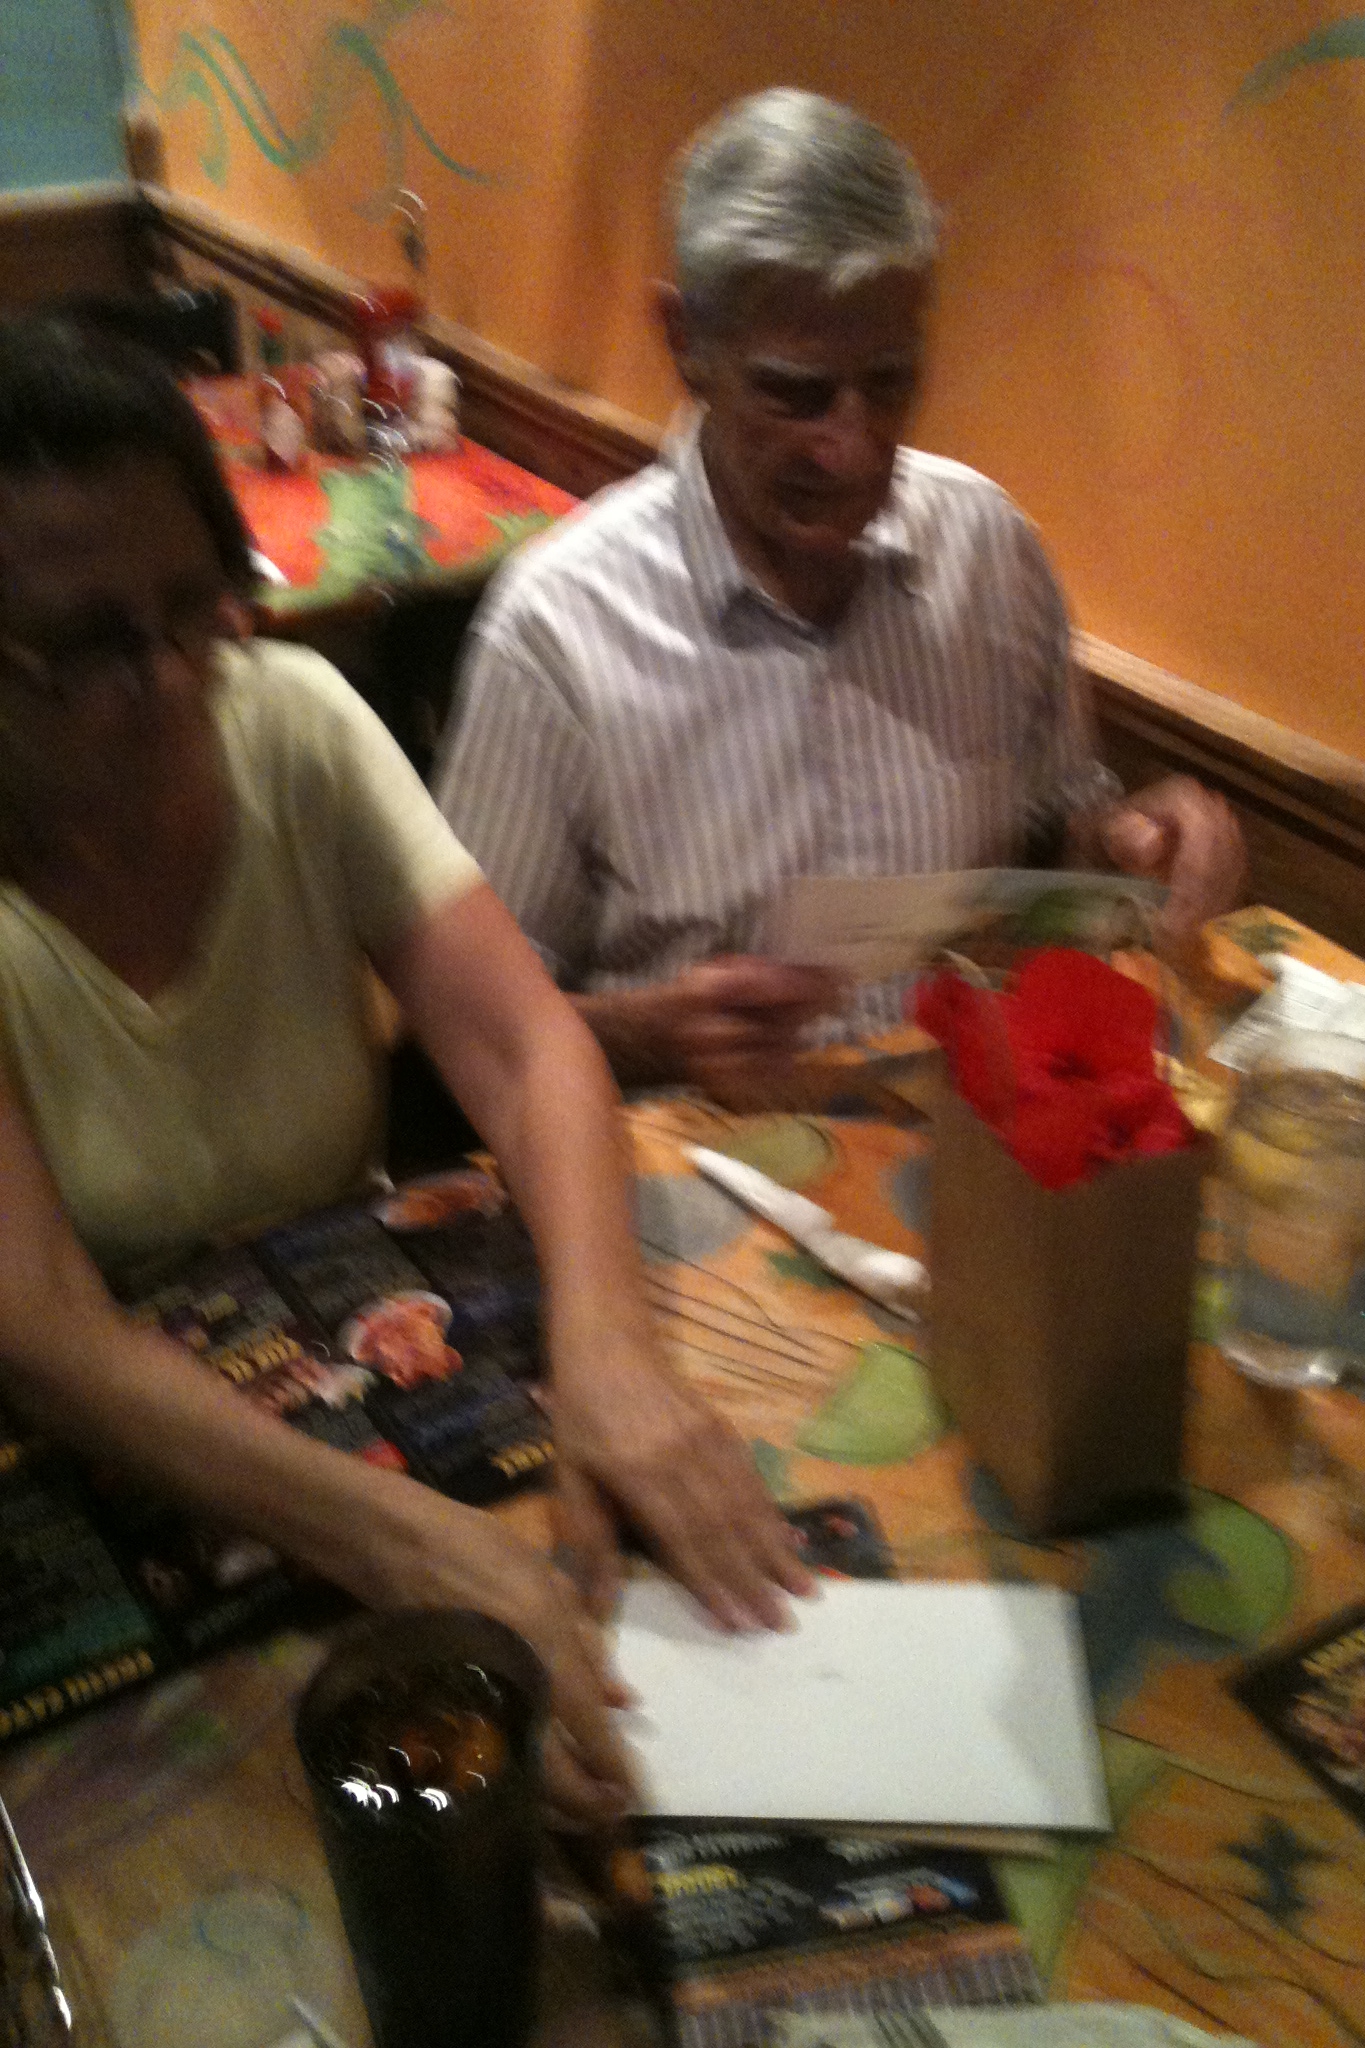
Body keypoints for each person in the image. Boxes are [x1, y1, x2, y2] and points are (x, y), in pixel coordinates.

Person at [0, 316, 810, 1826]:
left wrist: (609, 1356)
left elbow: (527, 1045)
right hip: (108, 1478)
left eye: (197, 607)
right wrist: (396, 1539)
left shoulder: (292, 720)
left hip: (344, 1381)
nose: (172, 682)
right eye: (93, 645)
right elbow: (44, 1329)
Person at [436, 88, 1245, 1105]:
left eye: (891, 382)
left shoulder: (989, 552)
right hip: (695, 1165)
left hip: (969, 1129)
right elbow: (464, 1022)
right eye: (796, 391)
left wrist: (1135, 844)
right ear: (685, 342)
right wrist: (653, 1034)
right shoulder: (557, 630)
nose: (853, 449)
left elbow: (1057, 835)